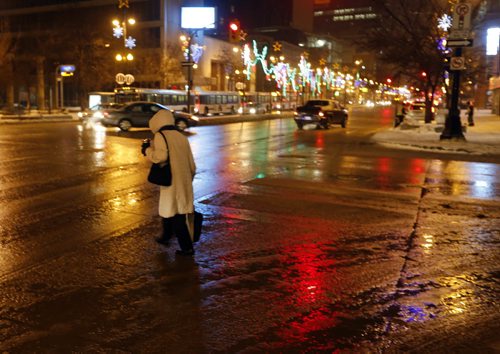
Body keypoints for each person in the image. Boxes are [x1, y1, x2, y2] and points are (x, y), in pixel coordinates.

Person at [142, 109, 197, 256]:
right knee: (171, 209)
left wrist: (147, 150)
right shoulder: (181, 136)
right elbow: (192, 165)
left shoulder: (161, 135)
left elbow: (160, 157)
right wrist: (188, 179)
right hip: (183, 180)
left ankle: (187, 248)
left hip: (171, 181)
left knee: (176, 213)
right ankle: (165, 236)